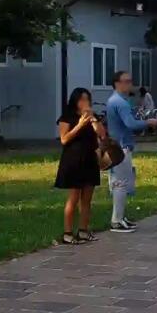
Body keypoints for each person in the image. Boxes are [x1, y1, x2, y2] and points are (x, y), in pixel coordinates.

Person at [106, 72, 157, 233]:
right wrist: (149, 122)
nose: (130, 85)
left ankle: (120, 217)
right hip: (120, 148)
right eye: (126, 81)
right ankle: (116, 221)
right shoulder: (120, 102)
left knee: (122, 182)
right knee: (120, 184)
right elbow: (131, 124)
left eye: (130, 81)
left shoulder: (119, 101)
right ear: (117, 83)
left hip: (120, 146)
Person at [55, 88, 106, 244]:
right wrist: (79, 125)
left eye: (87, 99)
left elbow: (102, 134)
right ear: (75, 101)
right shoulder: (67, 117)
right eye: (81, 99)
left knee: (87, 199)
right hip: (73, 160)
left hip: (90, 159)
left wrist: (93, 120)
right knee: (74, 197)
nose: (85, 102)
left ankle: (83, 230)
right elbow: (64, 139)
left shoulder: (92, 117)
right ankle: (67, 233)